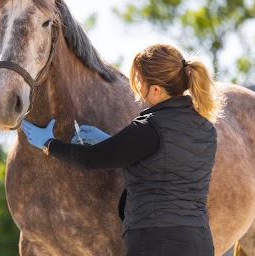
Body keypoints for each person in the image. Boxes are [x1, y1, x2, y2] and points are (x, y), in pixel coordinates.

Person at [21, 43, 223, 256]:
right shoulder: (206, 129)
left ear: (156, 89)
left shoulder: (150, 127)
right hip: (200, 241)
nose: (138, 91)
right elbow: (166, 163)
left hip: (154, 242)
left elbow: (90, 160)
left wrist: (49, 144)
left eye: (140, 83)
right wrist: (110, 141)